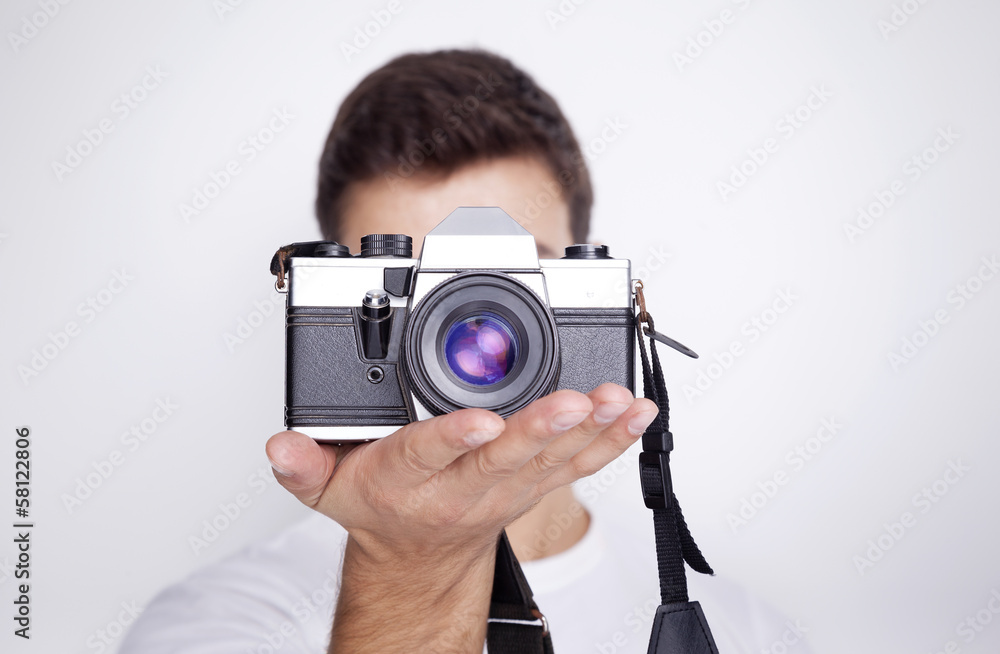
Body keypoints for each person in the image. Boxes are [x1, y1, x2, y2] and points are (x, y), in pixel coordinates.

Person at [121, 49, 804, 654]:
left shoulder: (741, 631)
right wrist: (405, 563)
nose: (470, 333)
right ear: (329, 292)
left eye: (513, 284)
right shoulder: (214, 623)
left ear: (594, 298)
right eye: (416, 285)